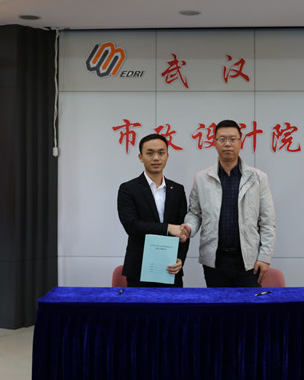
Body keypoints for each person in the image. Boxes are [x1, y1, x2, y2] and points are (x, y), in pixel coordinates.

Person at [182, 119, 275, 287]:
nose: (227, 144)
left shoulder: (258, 178)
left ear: (240, 142)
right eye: (222, 139)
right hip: (214, 260)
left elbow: (267, 221)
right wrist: (188, 227)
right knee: (218, 304)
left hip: (248, 260)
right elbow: (195, 213)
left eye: (232, 139)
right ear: (214, 142)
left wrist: (265, 257)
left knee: (248, 304)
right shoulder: (202, 178)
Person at [117, 133, 189, 287]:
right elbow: (131, 225)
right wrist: (168, 228)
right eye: (150, 153)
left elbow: (183, 229)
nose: (156, 158)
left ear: (167, 156)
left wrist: (180, 259)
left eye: (161, 153)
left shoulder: (177, 189)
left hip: (171, 268)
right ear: (141, 157)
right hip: (139, 268)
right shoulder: (128, 189)